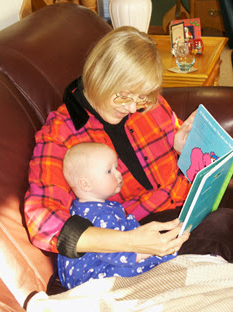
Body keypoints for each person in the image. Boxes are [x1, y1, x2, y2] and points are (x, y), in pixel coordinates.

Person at [24, 26, 232, 263]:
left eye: (142, 98)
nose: (133, 108)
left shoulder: (148, 104)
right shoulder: (61, 134)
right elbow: (41, 220)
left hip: (192, 198)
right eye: (124, 96)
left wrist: (178, 149)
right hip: (145, 228)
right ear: (99, 76)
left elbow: (168, 142)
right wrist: (131, 241)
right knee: (224, 228)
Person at [58, 142, 177, 288]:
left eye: (116, 167)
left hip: (96, 268)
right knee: (156, 259)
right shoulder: (100, 215)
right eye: (109, 171)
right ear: (85, 184)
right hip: (92, 277)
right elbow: (111, 252)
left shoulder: (87, 207)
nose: (118, 174)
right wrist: (144, 253)